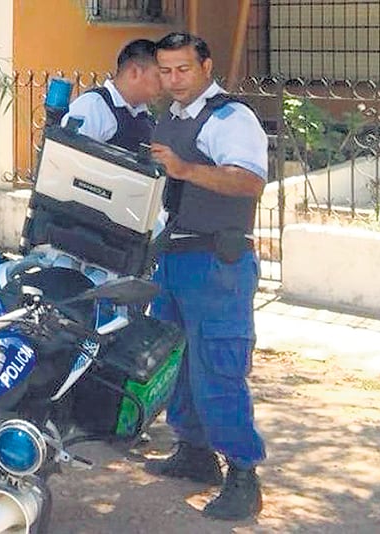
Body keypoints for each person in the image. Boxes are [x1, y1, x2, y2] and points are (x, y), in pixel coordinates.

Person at [145, 32, 268, 521]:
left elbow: (249, 180)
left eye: (183, 69)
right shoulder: (171, 119)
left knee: (219, 366)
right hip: (174, 259)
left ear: (206, 66)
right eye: (166, 70)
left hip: (217, 264)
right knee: (177, 362)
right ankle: (194, 452)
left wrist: (185, 169)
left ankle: (243, 475)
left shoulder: (231, 118)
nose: (173, 79)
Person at [60, 38, 161, 151]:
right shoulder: (93, 107)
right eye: (159, 75)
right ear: (134, 73)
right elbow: (70, 159)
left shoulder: (146, 118)